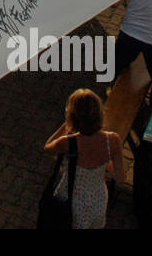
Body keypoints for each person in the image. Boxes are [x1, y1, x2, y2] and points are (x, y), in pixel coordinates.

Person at [43, 89, 125, 229]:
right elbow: (119, 177)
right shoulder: (112, 140)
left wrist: (66, 126)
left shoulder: (67, 142)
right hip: (98, 200)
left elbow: (48, 148)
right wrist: (104, 161)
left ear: (73, 117)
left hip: (71, 201)